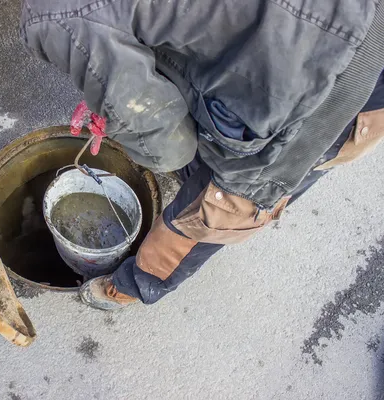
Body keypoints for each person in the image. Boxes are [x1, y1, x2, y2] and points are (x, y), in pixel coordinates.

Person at [20, 0, 384, 310]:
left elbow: (168, 150)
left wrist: (118, 115)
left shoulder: (55, 15)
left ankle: (137, 284)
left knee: (213, 211)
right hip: (358, 37)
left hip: (326, 109)